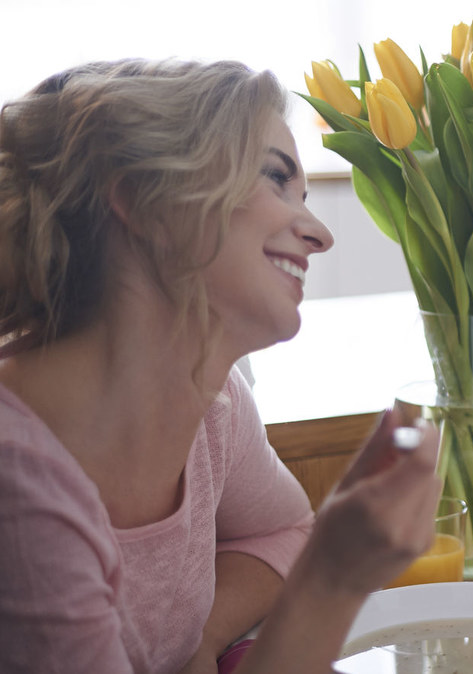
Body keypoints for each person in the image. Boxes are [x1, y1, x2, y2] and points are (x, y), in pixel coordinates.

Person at [0, 59, 444, 673]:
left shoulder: (212, 406)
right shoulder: (19, 493)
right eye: (273, 178)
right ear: (139, 199)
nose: (319, 234)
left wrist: (201, 637)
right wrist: (331, 579)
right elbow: (308, 552)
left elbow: (281, 532)